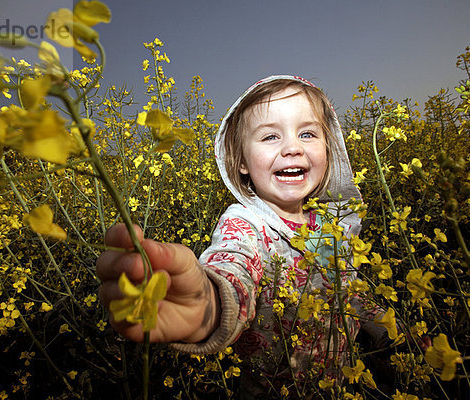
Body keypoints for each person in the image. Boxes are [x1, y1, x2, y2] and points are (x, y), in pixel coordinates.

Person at [97, 75, 387, 398]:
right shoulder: (245, 224)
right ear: (241, 163)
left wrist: (389, 327)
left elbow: (346, 290)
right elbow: (233, 268)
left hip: (341, 387)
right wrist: (210, 302)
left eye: (307, 133)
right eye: (270, 137)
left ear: (329, 148)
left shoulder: (329, 227)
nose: (293, 147)